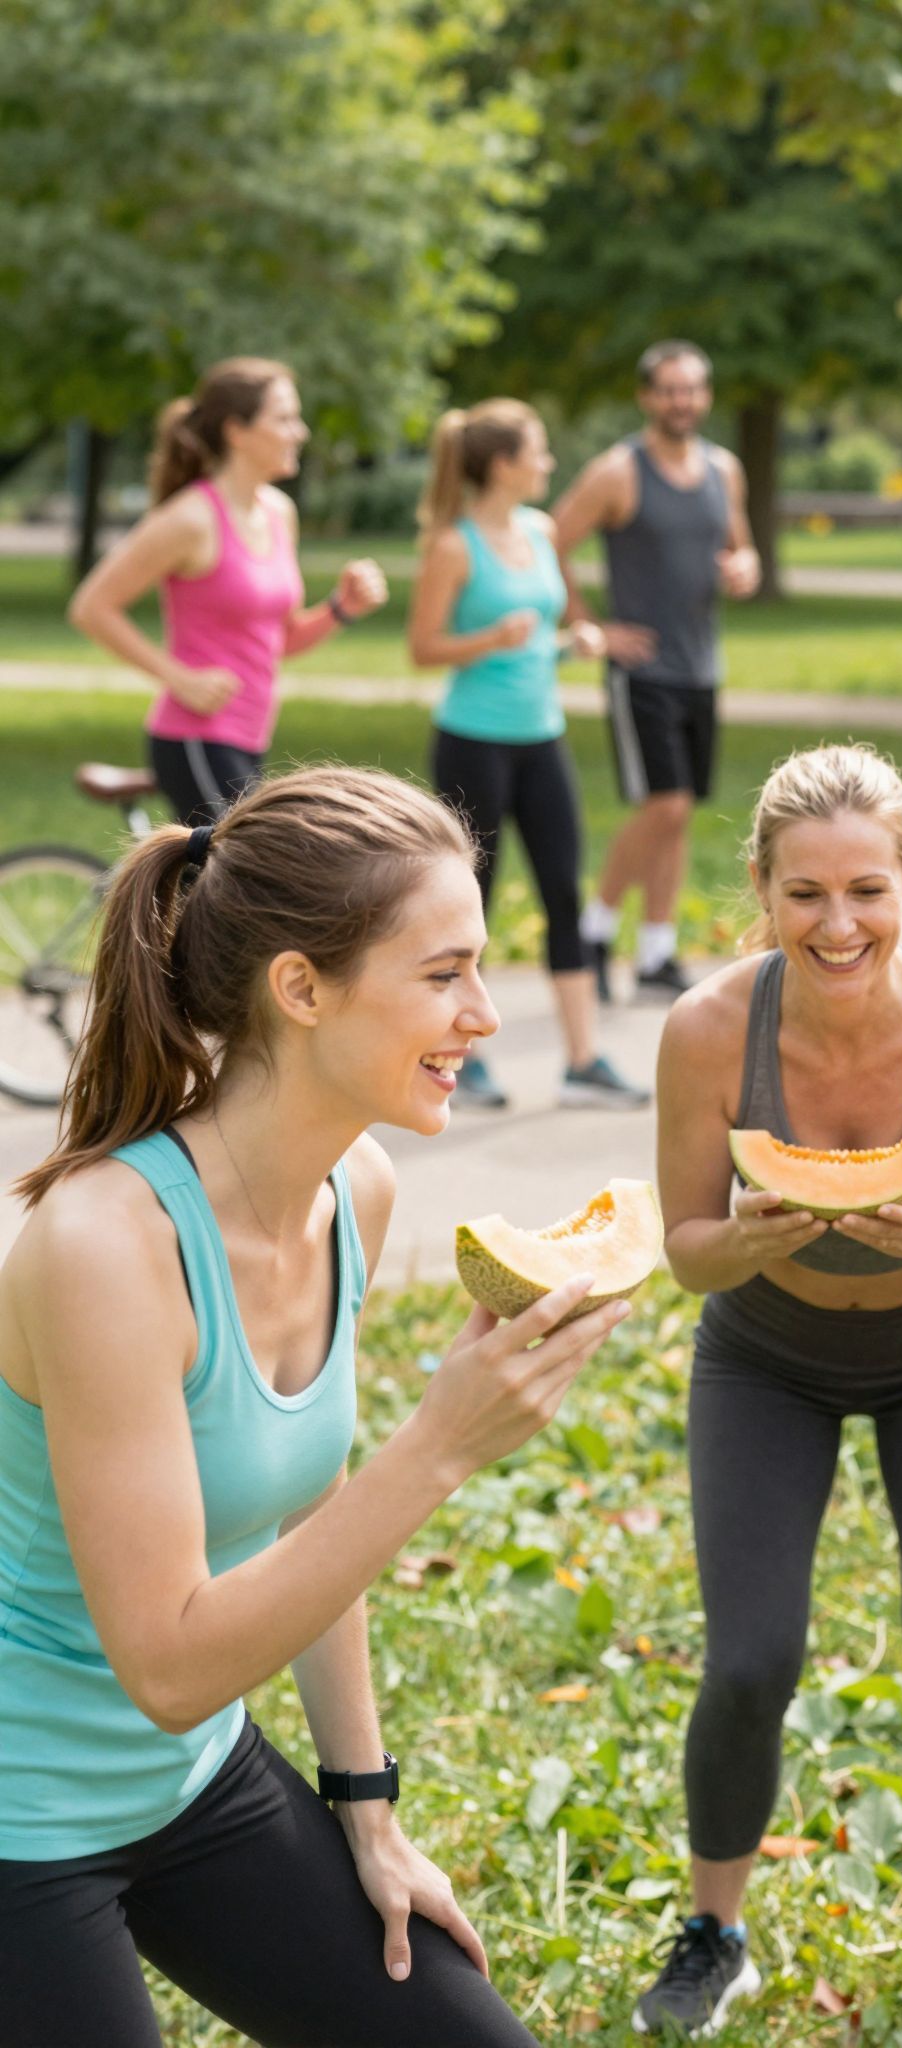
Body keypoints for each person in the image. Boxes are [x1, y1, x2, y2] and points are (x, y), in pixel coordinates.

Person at [0, 767, 631, 2047]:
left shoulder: (359, 1188)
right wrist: (442, 1443)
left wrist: (368, 1806)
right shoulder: (103, 1246)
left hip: (191, 1785)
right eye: (444, 973)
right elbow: (169, 1663)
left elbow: (311, 1506)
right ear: (301, 988)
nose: (486, 1014)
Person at [631, 744, 902, 2036]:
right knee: (750, 1661)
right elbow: (685, 1250)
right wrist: (758, 1239)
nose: (839, 926)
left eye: (868, 891)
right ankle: (716, 1930)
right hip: (765, 1355)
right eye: (806, 894)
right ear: (760, 892)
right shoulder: (706, 1031)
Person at [408, 399, 650, 1113]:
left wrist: (576, 641)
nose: (548, 463)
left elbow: (545, 627)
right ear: (504, 464)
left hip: (540, 738)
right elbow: (422, 649)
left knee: (562, 895)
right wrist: (487, 640)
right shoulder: (454, 545)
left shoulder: (541, 532)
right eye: (539, 451)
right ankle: (459, 1058)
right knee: (466, 905)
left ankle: (583, 1061)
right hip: (472, 741)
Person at [68, 358, 387, 823]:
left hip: (249, 735)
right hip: (196, 736)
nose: (299, 432)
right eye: (283, 419)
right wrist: (179, 678)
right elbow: (91, 607)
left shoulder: (279, 513)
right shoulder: (191, 518)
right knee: (258, 883)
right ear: (237, 431)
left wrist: (341, 608)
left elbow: (282, 639)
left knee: (231, 889)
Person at [553, 339, 760, 1003]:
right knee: (663, 804)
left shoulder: (723, 469)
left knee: (679, 812)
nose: (682, 401)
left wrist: (746, 569)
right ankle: (594, 929)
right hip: (641, 670)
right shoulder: (618, 472)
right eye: (669, 390)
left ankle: (656, 955)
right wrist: (593, 629)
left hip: (703, 665)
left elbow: (742, 550)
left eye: (693, 389)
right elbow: (548, 543)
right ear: (647, 397)